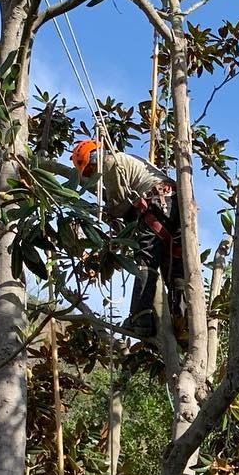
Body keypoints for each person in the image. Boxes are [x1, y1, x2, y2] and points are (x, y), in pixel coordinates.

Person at [71, 139, 179, 339]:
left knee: (146, 260)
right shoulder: (127, 161)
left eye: (88, 172)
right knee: (173, 267)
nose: (92, 176)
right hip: (173, 205)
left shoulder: (111, 161)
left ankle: (141, 317)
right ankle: (180, 323)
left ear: (92, 160)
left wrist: (111, 214)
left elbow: (119, 205)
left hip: (157, 203)